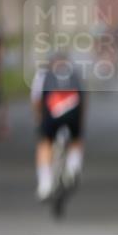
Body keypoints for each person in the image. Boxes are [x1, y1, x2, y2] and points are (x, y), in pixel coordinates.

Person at [31, 52, 85, 201]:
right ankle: (73, 166)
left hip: (51, 112)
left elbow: (36, 100)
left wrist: (38, 119)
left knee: (45, 143)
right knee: (76, 140)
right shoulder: (75, 73)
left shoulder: (42, 74)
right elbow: (83, 99)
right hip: (73, 112)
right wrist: (80, 123)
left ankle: (45, 184)